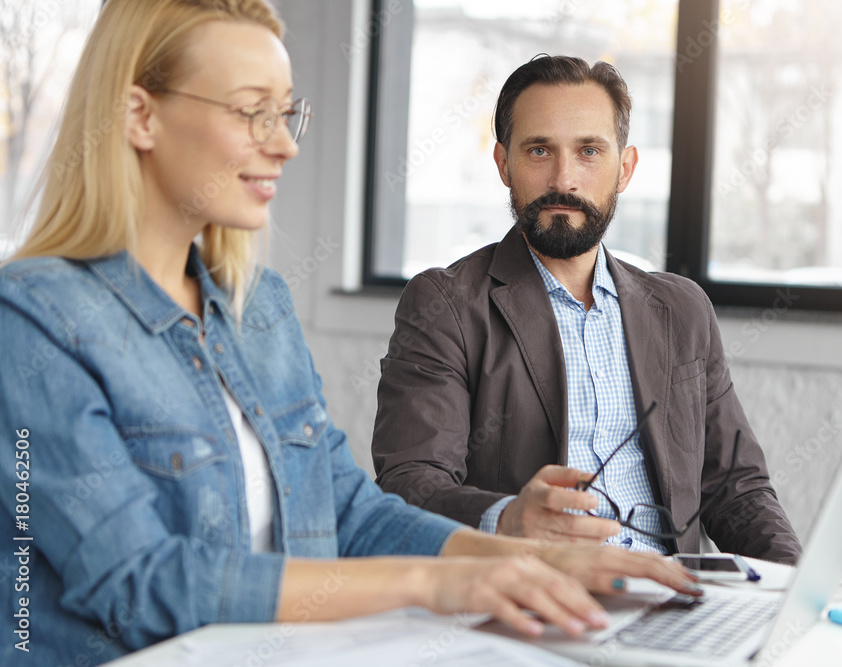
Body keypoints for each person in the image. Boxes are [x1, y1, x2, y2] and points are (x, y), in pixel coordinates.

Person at [0, 8, 699, 666]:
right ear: (140, 115)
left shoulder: (259, 307)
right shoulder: (31, 321)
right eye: (252, 113)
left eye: (285, 113)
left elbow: (349, 510)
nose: (283, 143)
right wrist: (433, 583)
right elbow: (138, 582)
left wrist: (527, 558)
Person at [372, 55, 802, 563]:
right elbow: (412, 486)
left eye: (589, 151)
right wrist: (508, 520)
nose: (564, 179)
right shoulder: (447, 305)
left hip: (673, 600)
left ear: (625, 169)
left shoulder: (683, 310)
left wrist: (794, 593)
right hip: (536, 604)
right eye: (538, 150)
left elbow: (737, 489)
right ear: (503, 164)